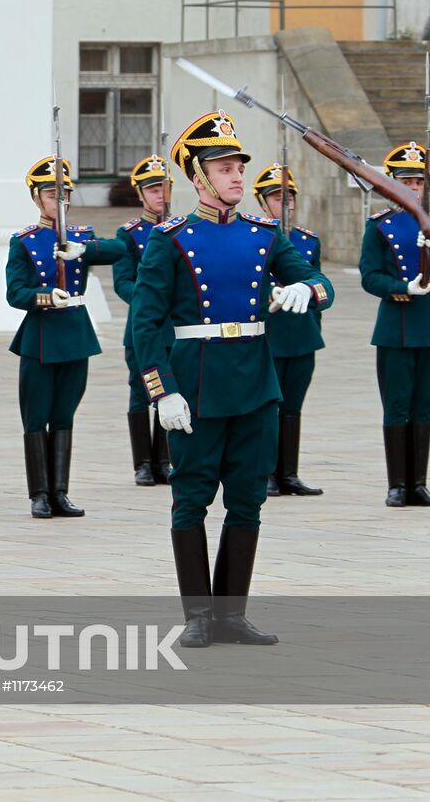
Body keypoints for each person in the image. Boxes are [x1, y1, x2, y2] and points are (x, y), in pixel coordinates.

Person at [132, 110, 332, 649]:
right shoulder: (170, 239)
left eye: (238, 165)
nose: (237, 176)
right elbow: (144, 326)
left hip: (255, 385)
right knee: (191, 499)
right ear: (197, 177)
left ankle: (231, 614)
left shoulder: (265, 235)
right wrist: (162, 389)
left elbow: (318, 279)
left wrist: (306, 291)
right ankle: (198, 613)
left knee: (248, 500)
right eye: (223, 168)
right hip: (195, 387)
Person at [6, 156, 124, 518]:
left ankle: (60, 491)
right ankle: (39, 493)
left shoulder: (81, 236)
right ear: (37, 198)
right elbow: (15, 292)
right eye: (50, 194)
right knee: (36, 416)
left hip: (75, 333)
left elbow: (123, 249)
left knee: (64, 415)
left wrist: (84, 250)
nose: (59, 201)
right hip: (41, 334)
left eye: (64, 194)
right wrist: (43, 295)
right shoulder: (23, 241)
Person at [360, 141, 430, 507]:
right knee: (397, 406)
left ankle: (418, 482)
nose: (414, 187)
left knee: (424, 407)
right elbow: (369, 276)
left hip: (428, 327)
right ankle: (396, 484)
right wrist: (403, 287)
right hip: (397, 327)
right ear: (391, 183)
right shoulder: (380, 226)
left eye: (419, 181)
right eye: (406, 180)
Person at [253, 163, 324, 497]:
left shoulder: (308, 241)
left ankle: (289, 473)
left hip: (301, 335)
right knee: (269, 407)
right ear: (263, 202)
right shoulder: (256, 238)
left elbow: (317, 289)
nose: (285, 203)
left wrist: (313, 327)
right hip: (269, 335)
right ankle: (266, 472)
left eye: (288, 197)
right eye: (277, 197)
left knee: (293, 406)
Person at [113, 155, 173, 487]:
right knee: (141, 391)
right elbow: (122, 281)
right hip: (142, 327)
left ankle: (164, 458)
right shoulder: (129, 235)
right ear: (140, 194)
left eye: (163, 189)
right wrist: (148, 297)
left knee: (170, 388)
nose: (159, 196)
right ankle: (143, 462)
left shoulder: (180, 230)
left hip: (174, 328)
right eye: (152, 190)